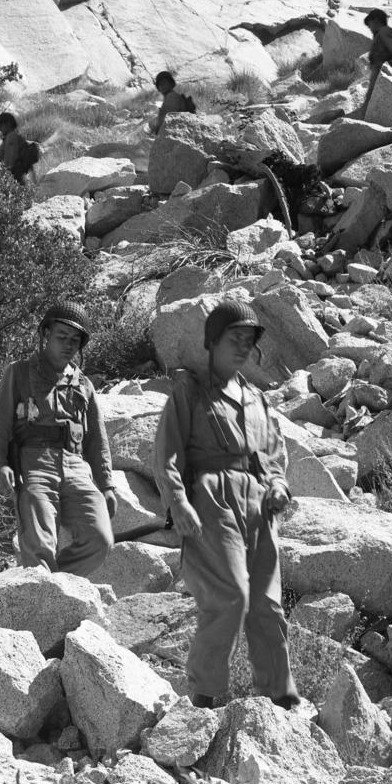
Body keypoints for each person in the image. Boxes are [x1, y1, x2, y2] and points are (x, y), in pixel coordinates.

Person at [152, 300, 298, 711]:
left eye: (248, 340)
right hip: (212, 498)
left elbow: (271, 454)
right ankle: (204, 697)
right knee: (231, 595)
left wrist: (278, 485)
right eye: (234, 338)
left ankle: (280, 701)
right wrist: (178, 502)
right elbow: (166, 455)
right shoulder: (190, 391)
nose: (242, 346)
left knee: (268, 606)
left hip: (259, 504)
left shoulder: (256, 399)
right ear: (211, 341)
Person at [0, 301, 116, 577]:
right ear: (46, 334)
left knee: (100, 540)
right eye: (62, 337)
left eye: (75, 340)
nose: (69, 345)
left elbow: (97, 441)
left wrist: (106, 485)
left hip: (76, 466)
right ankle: (42, 590)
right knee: (40, 544)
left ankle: (54, 582)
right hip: (35, 463)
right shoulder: (19, 372)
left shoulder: (84, 385)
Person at [151, 69, 195, 134]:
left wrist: (151, 127)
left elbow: (165, 120)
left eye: (164, 83)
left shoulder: (172, 96)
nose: (162, 86)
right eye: (160, 84)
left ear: (171, 84)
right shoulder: (170, 96)